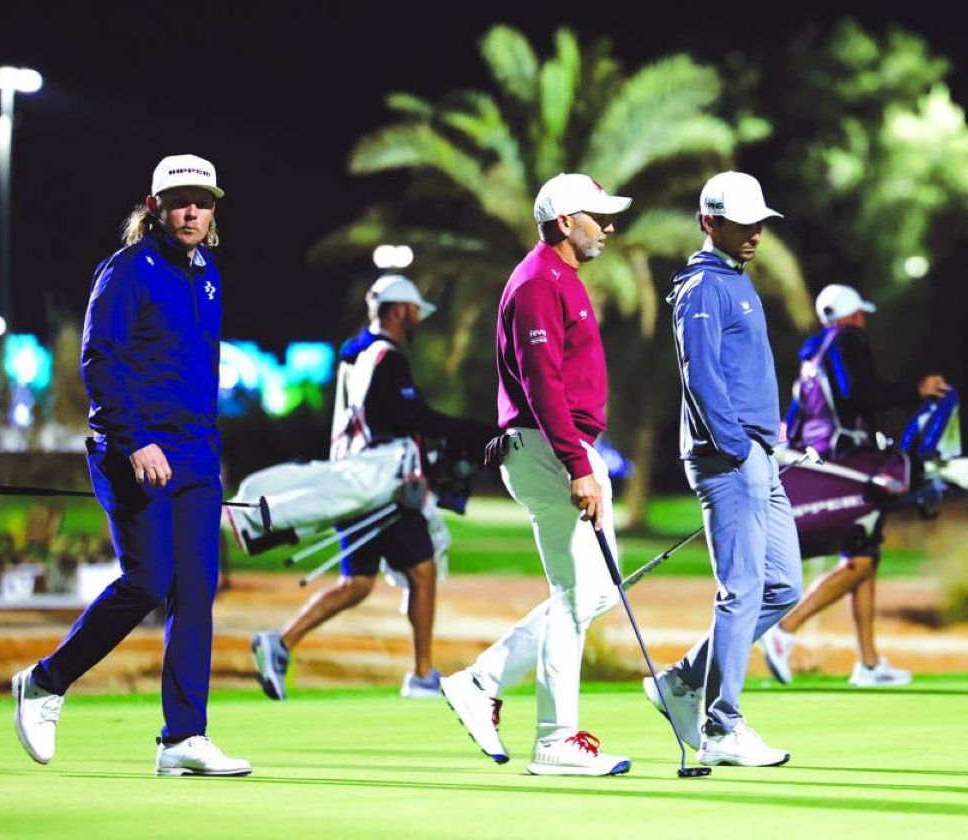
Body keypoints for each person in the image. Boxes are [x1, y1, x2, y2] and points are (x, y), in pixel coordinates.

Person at [11, 154, 251, 776]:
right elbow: (100, 363)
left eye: (202, 200)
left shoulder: (208, 273)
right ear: (154, 207)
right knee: (148, 581)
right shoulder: (126, 272)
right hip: (135, 452)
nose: (192, 210)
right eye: (179, 201)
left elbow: (194, 371)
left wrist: (209, 454)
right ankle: (44, 682)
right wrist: (137, 439)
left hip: (197, 458)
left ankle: (183, 738)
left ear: (214, 209)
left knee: (196, 590)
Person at [440, 173, 633, 777]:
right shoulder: (536, 284)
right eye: (594, 216)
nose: (607, 225)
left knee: (595, 591)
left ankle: (483, 680)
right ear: (560, 223)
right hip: (549, 447)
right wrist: (578, 464)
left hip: (559, 446)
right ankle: (554, 739)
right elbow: (540, 380)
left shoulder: (559, 279)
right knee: (579, 595)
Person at [251, 275, 496, 700]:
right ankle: (422, 675)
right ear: (400, 310)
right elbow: (411, 416)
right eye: (416, 310)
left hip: (355, 482)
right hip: (380, 487)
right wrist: (474, 432)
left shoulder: (358, 353)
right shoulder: (388, 358)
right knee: (423, 571)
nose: (419, 318)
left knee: (358, 583)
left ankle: (280, 642)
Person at [645, 171, 805, 768]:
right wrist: (737, 447)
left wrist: (767, 441)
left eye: (759, 223)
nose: (755, 234)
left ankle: (682, 682)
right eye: (743, 224)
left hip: (759, 457)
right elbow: (702, 374)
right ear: (709, 222)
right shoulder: (703, 287)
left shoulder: (734, 280)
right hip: (730, 459)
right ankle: (720, 724)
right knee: (741, 590)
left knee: (783, 584)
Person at [759, 283, 951, 688]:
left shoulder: (814, 351)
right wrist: (913, 391)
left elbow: (798, 411)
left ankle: (868, 662)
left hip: (822, 459)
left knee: (865, 552)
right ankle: (785, 629)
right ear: (855, 314)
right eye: (861, 314)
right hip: (847, 461)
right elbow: (858, 393)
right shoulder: (848, 340)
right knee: (861, 558)